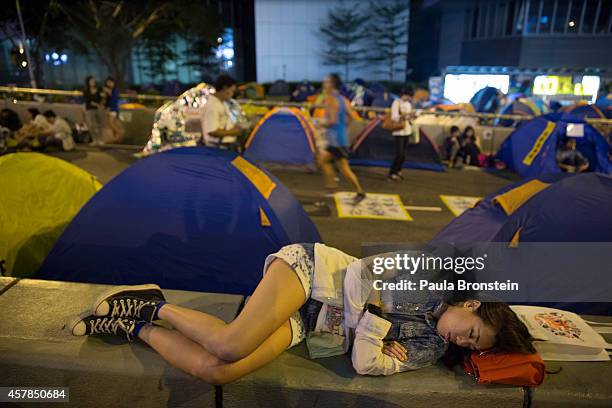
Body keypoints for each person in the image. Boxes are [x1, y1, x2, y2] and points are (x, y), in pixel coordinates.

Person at [69, 243, 535, 384]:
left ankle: (134, 324)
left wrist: (370, 317)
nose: (463, 342)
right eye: (473, 333)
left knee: (214, 371)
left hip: (316, 329)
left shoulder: (431, 348)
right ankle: (154, 302)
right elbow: (360, 275)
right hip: (314, 274)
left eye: (473, 346)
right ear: (472, 305)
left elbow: (365, 363)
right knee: (230, 343)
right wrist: (372, 321)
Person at [316, 74, 365, 203]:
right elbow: (352, 116)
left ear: (332, 85)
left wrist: (320, 124)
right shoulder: (343, 99)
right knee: (323, 161)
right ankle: (331, 187)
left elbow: (332, 121)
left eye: (326, 82)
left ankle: (359, 192)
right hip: (340, 137)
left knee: (344, 168)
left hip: (335, 140)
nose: (324, 84)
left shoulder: (330, 100)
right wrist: (343, 127)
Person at [202, 74, 242, 148]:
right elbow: (212, 131)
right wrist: (233, 132)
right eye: (231, 91)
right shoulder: (212, 106)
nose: (232, 94)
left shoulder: (222, 102)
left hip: (224, 146)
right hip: (217, 148)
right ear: (224, 88)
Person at [388, 86, 415, 181]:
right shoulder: (396, 102)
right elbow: (394, 117)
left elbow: (410, 119)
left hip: (407, 130)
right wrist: (405, 116)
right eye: (409, 96)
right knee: (399, 153)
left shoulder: (409, 104)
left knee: (403, 154)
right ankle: (392, 172)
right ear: (404, 94)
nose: (410, 98)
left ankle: (398, 171)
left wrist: (412, 117)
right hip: (398, 131)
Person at [83, 75, 106, 146]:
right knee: (92, 125)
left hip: (99, 109)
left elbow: (103, 97)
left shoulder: (99, 89)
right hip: (90, 109)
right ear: (88, 82)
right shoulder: (86, 90)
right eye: (91, 81)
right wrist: (97, 105)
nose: (93, 82)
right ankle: (94, 139)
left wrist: (101, 104)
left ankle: (100, 139)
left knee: (100, 124)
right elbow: (88, 100)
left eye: (93, 81)